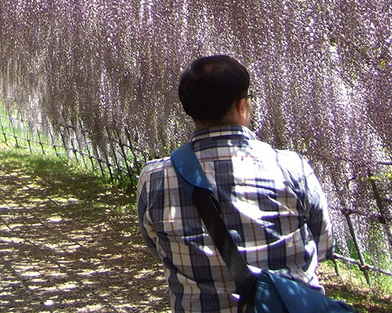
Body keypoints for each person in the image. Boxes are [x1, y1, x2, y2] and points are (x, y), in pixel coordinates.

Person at [137, 55, 335, 313]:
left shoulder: (154, 178)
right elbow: (323, 245)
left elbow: (158, 247)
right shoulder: (291, 167)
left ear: (189, 108)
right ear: (242, 105)